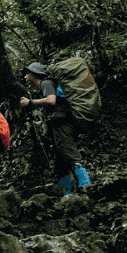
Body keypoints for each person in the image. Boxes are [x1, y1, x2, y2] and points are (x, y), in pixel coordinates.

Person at [19, 62, 91, 194]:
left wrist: (29, 102)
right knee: (60, 164)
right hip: (59, 126)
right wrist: (37, 125)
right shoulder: (46, 85)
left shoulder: (46, 83)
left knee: (70, 155)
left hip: (63, 126)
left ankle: (86, 186)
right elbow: (52, 113)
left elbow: (51, 100)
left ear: (35, 73)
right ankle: (66, 193)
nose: (25, 77)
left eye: (27, 73)